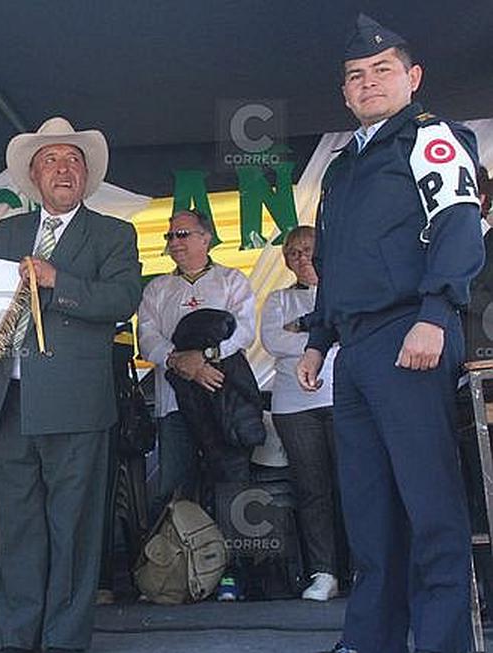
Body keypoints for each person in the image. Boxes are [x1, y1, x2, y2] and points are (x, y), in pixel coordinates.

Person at [298, 15, 485, 653]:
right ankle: (370, 640)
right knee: (371, 512)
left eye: (382, 70)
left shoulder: (432, 138)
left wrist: (437, 311)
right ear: (345, 94)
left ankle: (441, 643)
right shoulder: (341, 167)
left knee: (430, 506)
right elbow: (334, 262)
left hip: (413, 331)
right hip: (355, 350)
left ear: (413, 78)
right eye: (356, 76)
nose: (369, 82)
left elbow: (461, 222)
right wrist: (319, 338)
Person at [0, 116, 142, 653]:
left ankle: (65, 640)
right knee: (19, 528)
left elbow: (122, 301)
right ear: (33, 176)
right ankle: (17, 639)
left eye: (73, 160)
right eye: (51, 160)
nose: (63, 168)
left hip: (75, 403)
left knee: (72, 529)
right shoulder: (4, 234)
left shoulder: (113, 233)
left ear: (86, 175)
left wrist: (58, 282)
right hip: (12, 403)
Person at [137, 208, 255, 600]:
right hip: (174, 404)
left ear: (207, 238)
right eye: (170, 237)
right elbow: (148, 339)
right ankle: (175, 575)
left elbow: (245, 331)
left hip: (223, 400)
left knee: (231, 487)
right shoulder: (156, 290)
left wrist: (204, 358)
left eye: (183, 234)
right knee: (175, 486)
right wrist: (181, 362)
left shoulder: (231, 280)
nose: (174, 243)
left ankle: (234, 575)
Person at [260, 225, 342, 602]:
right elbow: (273, 340)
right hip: (294, 406)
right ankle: (324, 572)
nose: (301, 257)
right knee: (312, 491)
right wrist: (322, 334)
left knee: (356, 486)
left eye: (308, 249)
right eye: (292, 252)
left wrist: (304, 329)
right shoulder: (278, 299)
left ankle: (365, 567)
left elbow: (348, 331)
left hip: (344, 399)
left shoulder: (342, 290)